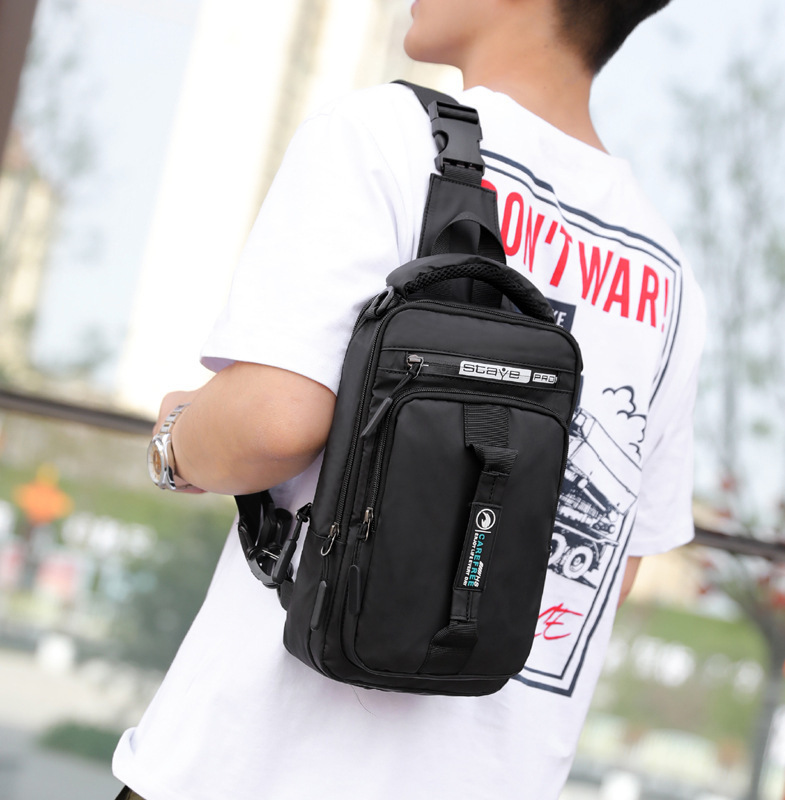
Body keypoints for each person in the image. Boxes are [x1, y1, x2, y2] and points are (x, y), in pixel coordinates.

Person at [113, 0, 705, 798]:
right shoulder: (669, 274)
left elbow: (275, 421)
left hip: (256, 770)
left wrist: (174, 437)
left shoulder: (388, 139)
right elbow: (613, 575)